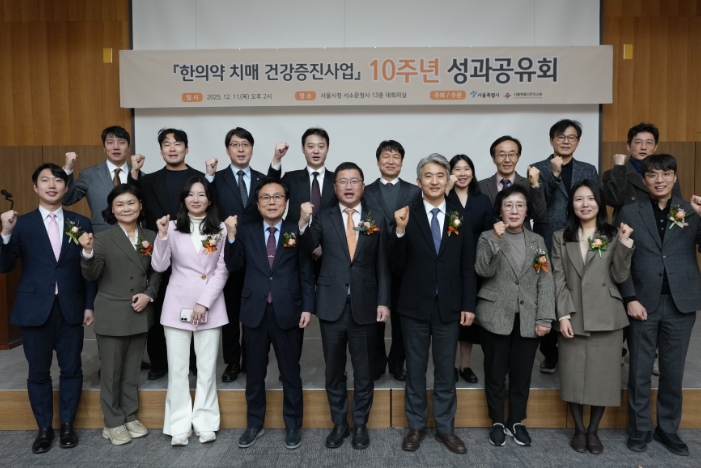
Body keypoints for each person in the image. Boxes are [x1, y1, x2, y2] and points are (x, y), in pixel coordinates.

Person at [0, 163, 96, 454]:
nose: (52, 185)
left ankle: (67, 425)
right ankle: (44, 429)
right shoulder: (22, 224)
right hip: (34, 308)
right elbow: (5, 265)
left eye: (58, 180)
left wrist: (89, 304)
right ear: (35, 187)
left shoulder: (81, 221)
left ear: (66, 187)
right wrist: (5, 233)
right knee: (38, 372)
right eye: (45, 180)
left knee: (72, 369)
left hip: (71, 306)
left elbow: (88, 268)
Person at [297, 162, 390, 450]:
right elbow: (306, 247)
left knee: (364, 371)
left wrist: (383, 300)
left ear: (363, 185)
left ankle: (360, 423)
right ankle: (339, 423)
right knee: (334, 371)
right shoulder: (322, 217)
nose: (349, 187)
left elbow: (383, 264)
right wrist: (302, 222)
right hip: (331, 305)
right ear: (334, 187)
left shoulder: (376, 217)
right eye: (342, 181)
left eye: (354, 181)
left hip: (365, 304)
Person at [615, 154, 701, 456]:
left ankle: (668, 428)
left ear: (675, 177)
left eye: (666, 174)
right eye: (653, 174)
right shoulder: (629, 211)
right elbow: (620, 258)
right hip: (643, 302)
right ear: (644, 179)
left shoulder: (689, 210)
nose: (659, 180)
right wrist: (630, 298)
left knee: (673, 372)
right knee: (639, 371)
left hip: (681, 302)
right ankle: (639, 428)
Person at [391, 153, 476, 454]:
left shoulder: (459, 215)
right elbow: (396, 266)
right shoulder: (406, 214)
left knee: (445, 371)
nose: (435, 181)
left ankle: (445, 428)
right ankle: (415, 426)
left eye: (440, 175)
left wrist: (468, 304)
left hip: (449, 306)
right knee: (415, 370)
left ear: (448, 180)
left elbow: (467, 265)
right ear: (419, 182)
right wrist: (399, 231)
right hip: (414, 305)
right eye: (428, 175)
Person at [224, 178, 315, 450]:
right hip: (255, 311)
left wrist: (308, 307)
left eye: (277, 197)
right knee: (254, 372)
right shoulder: (246, 231)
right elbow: (234, 266)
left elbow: (306, 271)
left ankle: (293, 425)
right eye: (266, 197)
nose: (272, 202)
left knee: (290, 372)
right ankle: (254, 423)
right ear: (258, 203)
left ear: (286, 203)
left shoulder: (295, 229)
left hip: (288, 309)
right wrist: (230, 236)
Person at [551, 180, 634, 454]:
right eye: (578, 199)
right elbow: (558, 278)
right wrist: (563, 314)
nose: (585, 204)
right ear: (571, 205)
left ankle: (593, 431)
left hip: (606, 315)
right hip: (573, 313)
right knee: (573, 374)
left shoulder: (613, 234)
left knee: (603, 376)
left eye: (590, 198)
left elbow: (619, 276)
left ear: (599, 203)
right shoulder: (560, 237)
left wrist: (624, 244)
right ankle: (578, 429)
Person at [79, 184, 162, 445]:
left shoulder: (150, 235)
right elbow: (91, 274)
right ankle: (112, 422)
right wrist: (87, 252)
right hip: (113, 313)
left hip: (140, 311)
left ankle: (130, 415)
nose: (126, 208)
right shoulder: (102, 238)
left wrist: (149, 294)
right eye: (120, 204)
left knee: (131, 371)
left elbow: (156, 271)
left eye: (131, 203)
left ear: (140, 205)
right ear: (112, 210)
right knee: (111, 372)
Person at [474, 184, 555, 448]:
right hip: (495, 315)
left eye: (520, 205)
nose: (514, 210)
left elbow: (545, 280)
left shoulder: (537, 241)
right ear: (500, 210)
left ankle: (516, 421)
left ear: (527, 210)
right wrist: (496, 240)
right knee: (495, 373)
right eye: (508, 205)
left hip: (528, 317)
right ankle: (498, 421)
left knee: (521, 375)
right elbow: (483, 270)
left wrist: (545, 317)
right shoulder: (487, 236)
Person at [151, 176, 230, 446]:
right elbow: (160, 266)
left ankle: (205, 423)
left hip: (210, 304)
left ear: (209, 199)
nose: (196, 199)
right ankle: (179, 426)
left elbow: (222, 269)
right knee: (178, 370)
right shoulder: (171, 227)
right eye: (190, 194)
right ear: (183, 199)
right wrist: (161, 236)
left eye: (201, 194)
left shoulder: (221, 228)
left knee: (207, 369)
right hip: (177, 305)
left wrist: (204, 303)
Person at [129, 128, 209, 381]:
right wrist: (134, 174)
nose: (172, 148)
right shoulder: (148, 180)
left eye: (177, 143)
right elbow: (132, 203)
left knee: (194, 306)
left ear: (187, 148)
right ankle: (159, 362)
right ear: (161, 150)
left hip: (193, 254)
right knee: (158, 306)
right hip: (158, 251)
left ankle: (194, 361)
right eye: (167, 144)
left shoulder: (199, 179)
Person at [531, 119, 599, 374]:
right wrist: (554, 176)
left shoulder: (588, 169)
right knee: (547, 291)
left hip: (581, 236)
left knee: (578, 287)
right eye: (561, 136)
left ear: (578, 142)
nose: (566, 141)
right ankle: (550, 352)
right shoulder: (537, 168)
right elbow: (538, 208)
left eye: (572, 137)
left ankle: (578, 344)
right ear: (552, 140)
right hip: (548, 236)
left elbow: (595, 202)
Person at [207, 127, 266, 382]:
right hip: (225, 252)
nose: (240, 149)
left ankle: (250, 360)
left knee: (253, 311)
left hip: (257, 254)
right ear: (227, 149)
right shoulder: (215, 179)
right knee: (230, 310)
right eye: (235, 145)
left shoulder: (263, 179)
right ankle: (232, 361)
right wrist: (208, 177)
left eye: (245, 145)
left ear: (252, 149)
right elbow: (205, 204)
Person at [362, 140, 421, 382]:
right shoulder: (366, 191)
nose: (390, 161)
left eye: (396, 157)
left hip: (404, 263)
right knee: (372, 318)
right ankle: (377, 363)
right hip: (372, 264)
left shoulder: (414, 192)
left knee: (401, 319)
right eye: (386, 156)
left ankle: (397, 363)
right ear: (377, 161)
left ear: (402, 162)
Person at [446, 154, 493, 384]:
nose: (462, 173)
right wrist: (446, 190)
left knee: (469, 316)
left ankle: (464, 365)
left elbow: (489, 232)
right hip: (447, 264)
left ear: (472, 173)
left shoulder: (482, 200)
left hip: (473, 264)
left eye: (467, 169)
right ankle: (450, 366)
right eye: (457, 169)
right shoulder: (442, 198)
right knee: (450, 315)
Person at [62, 126, 143, 233]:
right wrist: (68, 169)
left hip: (135, 236)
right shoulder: (89, 174)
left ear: (128, 147)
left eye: (121, 142)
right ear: (104, 148)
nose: (116, 147)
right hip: (100, 236)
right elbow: (67, 199)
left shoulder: (141, 176)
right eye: (110, 142)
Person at [601, 123, 682, 220]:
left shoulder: (667, 175)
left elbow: (677, 207)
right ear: (628, 146)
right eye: (638, 142)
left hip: (659, 225)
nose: (643, 147)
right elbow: (615, 201)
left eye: (649, 142)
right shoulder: (613, 174)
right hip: (627, 226)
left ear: (655, 147)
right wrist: (619, 167)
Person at [478, 135, 546, 229]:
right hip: (491, 237)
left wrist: (535, 185)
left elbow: (539, 215)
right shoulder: (481, 186)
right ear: (493, 158)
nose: (507, 160)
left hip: (522, 237)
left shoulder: (529, 185)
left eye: (512, 154)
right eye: (501, 155)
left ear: (518, 157)